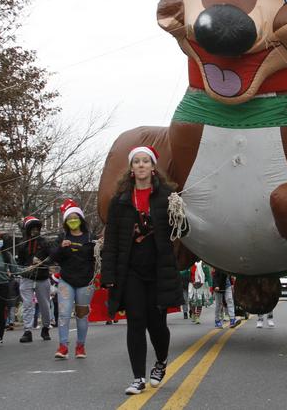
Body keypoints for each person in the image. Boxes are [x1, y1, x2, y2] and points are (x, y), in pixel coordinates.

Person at [102, 146, 180, 395]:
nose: (141, 165)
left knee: (157, 324)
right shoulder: (121, 201)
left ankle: (161, 361)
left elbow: (182, 231)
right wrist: (109, 276)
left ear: (153, 166)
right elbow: (111, 241)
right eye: (137, 161)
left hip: (159, 269)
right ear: (132, 168)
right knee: (135, 321)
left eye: (146, 161)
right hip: (131, 270)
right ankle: (138, 377)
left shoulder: (167, 196)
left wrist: (179, 213)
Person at [49, 199, 96, 360]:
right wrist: (62, 247)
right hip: (66, 281)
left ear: (81, 220)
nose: (73, 221)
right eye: (69, 219)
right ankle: (63, 346)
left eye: (75, 218)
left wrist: (100, 246)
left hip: (85, 282)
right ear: (66, 222)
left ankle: (80, 346)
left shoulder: (91, 237)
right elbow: (53, 257)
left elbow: (99, 257)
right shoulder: (62, 237)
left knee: (82, 315)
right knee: (63, 313)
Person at [15, 214, 52, 343]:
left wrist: (41, 262)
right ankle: (27, 330)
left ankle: (46, 327)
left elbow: (52, 258)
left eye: (37, 228)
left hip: (42, 278)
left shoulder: (45, 242)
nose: (35, 231)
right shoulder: (22, 244)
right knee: (27, 304)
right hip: (26, 278)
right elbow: (19, 263)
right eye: (32, 229)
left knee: (45, 305)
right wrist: (26, 268)